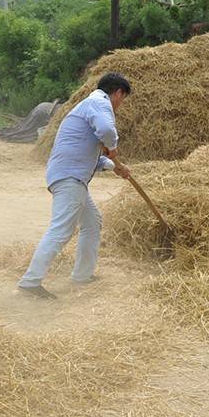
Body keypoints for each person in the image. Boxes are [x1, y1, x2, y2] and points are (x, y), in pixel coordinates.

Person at [17, 72, 132, 299]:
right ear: (118, 93)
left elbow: (91, 156)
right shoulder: (99, 102)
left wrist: (113, 165)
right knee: (62, 228)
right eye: (123, 99)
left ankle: (82, 275)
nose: (120, 104)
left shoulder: (88, 108)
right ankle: (30, 282)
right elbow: (108, 132)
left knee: (92, 221)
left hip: (71, 176)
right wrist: (113, 147)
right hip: (70, 177)